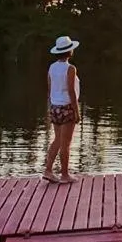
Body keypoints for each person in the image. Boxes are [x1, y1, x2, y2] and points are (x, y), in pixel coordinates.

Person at [43, 35, 81, 184]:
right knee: (65, 144)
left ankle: (48, 170)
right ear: (70, 51)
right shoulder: (70, 68)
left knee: (57, 140)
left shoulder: (52, 67)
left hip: (55, 107)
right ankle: (65, 174)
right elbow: (71, 91)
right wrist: (76, 111)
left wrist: (50, 107)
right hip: (66, 107)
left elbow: (50, 89)